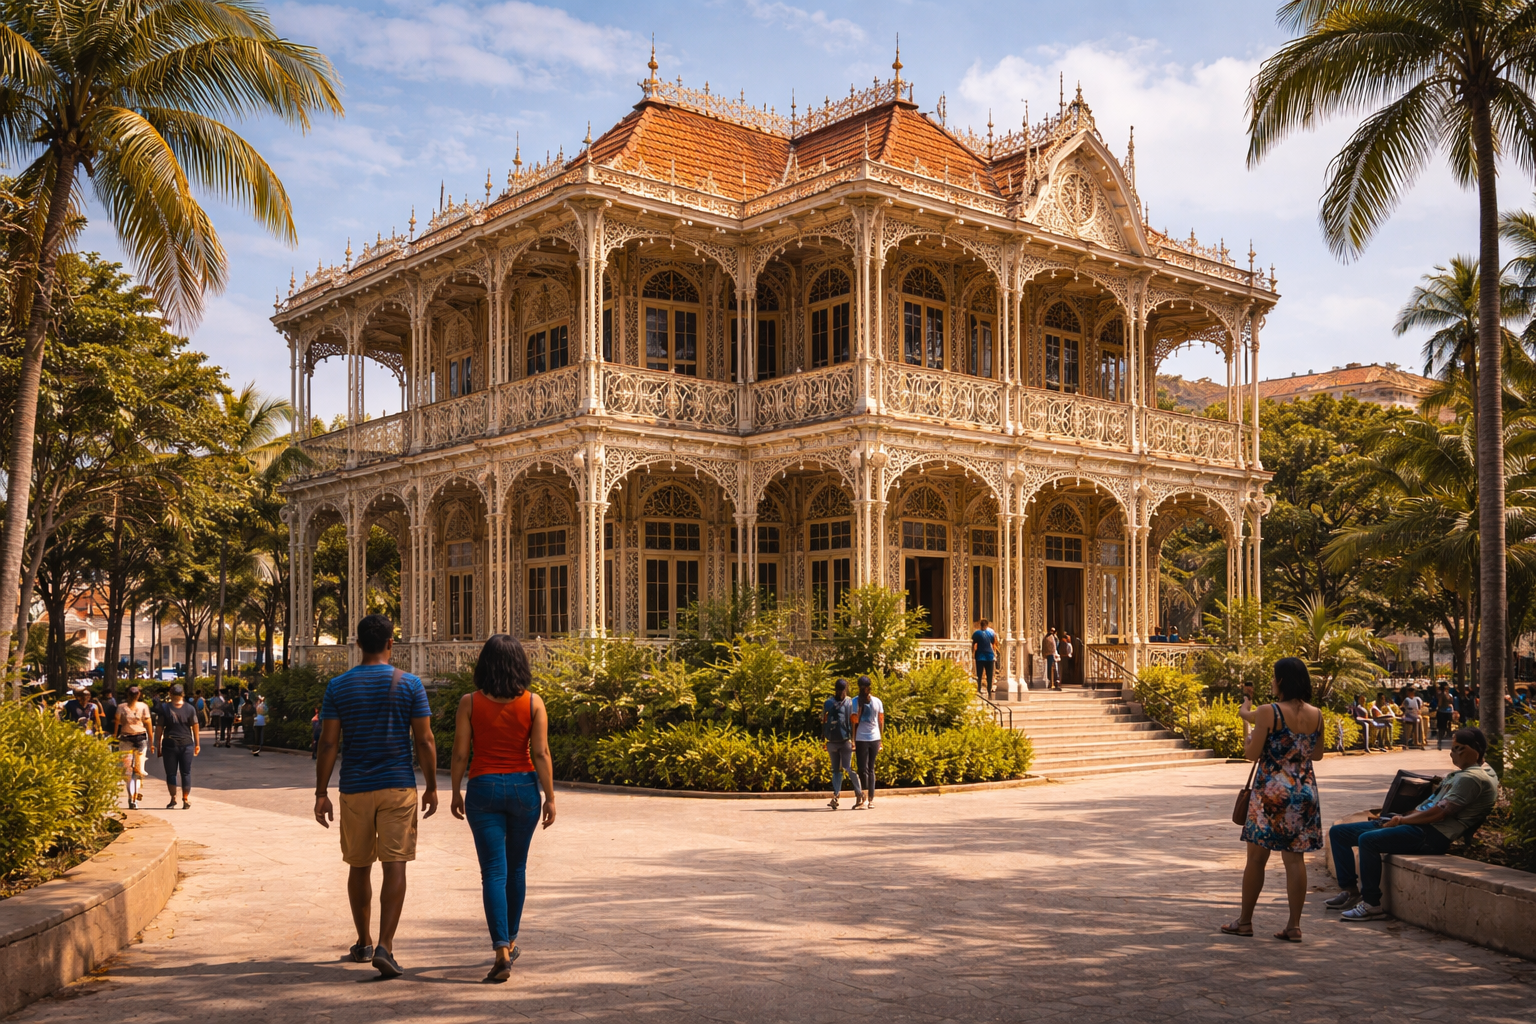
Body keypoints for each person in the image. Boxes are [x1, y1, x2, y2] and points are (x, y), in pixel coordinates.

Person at [314, 614, 437, 980]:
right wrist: (432, 785)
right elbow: (425, 740)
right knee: (394, 864)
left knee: (359, 865)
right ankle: (385, 945)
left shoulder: (338, 686)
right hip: (398, 785)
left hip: (355, 787)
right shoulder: (410, 684)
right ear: (390, 644)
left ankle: (363, 941)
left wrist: (321, 792)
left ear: (357, 644)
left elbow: (329, 742)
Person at [449, 635, 556, 983]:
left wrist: (454, 790)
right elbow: (540, 753)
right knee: (517, 869)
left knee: (493, 871)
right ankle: (510, 939)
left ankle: (501, 951)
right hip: (524, 788)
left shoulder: (469, 703)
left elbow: (461, 753)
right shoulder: (533, 703)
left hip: (483, 788)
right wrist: (550, 796)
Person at [1328, 727, 1500, 920]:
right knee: (1338, 833)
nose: (1452, 753)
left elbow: (1439, 814)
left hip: (1431, 835)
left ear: (1474, 750)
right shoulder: (1474, 771)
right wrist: (1400, 818)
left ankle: (1371, 904)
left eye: (1458, 748)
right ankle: (1350, 891)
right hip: (1415, 825)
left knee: (1368, 840)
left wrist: (1401, 820)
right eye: (1453, 748)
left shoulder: (1472, 777)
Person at [1222, 657, 1323, 942]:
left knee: (1256, 859)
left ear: (1281, 681)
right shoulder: (1316, 713)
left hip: (1271, 793)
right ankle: (1293, 926)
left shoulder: (1269, 711)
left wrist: (1247, 736)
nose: (1271, 681)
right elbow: (1317, 754)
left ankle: (1244, 922)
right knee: (1295, 860)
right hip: (1304, 792)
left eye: (1273, 677)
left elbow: (1252, 754)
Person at [155, 683, 200, 809]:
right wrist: (197, 744)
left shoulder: (164, 708)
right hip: (187, 744)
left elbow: (159, 728)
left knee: (171, 773)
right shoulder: (190, 708)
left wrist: (157, 744)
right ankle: (185, 799)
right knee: (186, 773)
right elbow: (195, 726)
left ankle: (173, 798)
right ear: (183, 694)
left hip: (169, 745)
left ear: (170, 694)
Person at [822, 678, 863, 810]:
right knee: (835, 770)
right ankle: (836, 796)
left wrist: (853, 740)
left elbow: (853, 722)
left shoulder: (850, 703)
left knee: (847, 768)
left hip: (845, 741)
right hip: (832, 741)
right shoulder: (829, 703)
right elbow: (823, 721)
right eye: (839, 690)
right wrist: (824, 740)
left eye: (842, 690)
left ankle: (859, 793)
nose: (841, 693)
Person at [114, 684, 154, 810]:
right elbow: (117, 724)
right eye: (132, 693)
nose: (134, 695)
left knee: (138, 771)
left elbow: (148, 724)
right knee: (128, 772)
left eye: (135, 693)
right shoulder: (121, 707)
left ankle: (134, 798)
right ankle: (131, 797)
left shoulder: (143, 707)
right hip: (125, 739)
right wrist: (115, 738)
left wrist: (152, 742)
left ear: (139, 694)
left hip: (140, 738)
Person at [850, 676, 884, 808]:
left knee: (864, 769)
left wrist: (853, 739)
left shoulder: (856, 701)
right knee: (870, 769)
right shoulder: (875, 701)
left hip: (863, 738)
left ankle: (866, 799)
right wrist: (881, 738)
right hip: (872, 738)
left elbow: (853, 722)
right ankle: (869, 799)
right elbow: (881, 721)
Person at [971, 618, 998, 698]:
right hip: (989, 656)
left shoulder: (977, 633)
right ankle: (989, 691)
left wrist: (972, 652)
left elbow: (973, 642)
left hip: (980, 657)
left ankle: (979, 690)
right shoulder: (991, 632)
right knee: (989, 675)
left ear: (980, 625)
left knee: (979, 674)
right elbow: (994, 643)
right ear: (987, 625)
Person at [1432, 684, 1456, 750]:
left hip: (1442, 712)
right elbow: (1452, 703)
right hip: (1449, 712)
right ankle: (1449, 742)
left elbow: (1439, 703)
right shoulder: (1450, 695)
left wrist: (1437, 708)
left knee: (1441, 728)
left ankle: (1440, 743)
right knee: (1448, 728)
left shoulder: (1441, 695)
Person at [250, 691, 268, 755]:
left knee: (256, 734)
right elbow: (266, 712)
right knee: (260, 734)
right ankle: (259, 746)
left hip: (257, 720)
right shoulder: (264, 706)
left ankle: (256, 746)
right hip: (262, 721)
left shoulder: (257, 705)